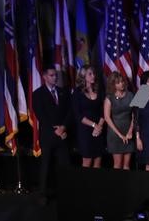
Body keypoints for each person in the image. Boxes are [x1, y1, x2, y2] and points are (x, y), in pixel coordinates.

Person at [32, 64, 72, 200]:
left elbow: (69, 112)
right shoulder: (37, 94)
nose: (55, 77)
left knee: (65, 164)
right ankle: (43, 194)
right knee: (46, 165)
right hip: (49, 135)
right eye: (52, 75)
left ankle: (66, 193)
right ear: (44, 77)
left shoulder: (63, 92)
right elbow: (40, 115)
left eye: (56, 75)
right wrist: (55, 130)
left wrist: (63, 127)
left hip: (62, 133)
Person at [72, 65, 105, 168]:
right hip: (85, 131)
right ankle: (85, 184)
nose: (93, 76)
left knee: (98, 161)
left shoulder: (99, 91)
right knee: (87, 161)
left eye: (94, 74)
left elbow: (103, 112)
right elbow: (78, 115)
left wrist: (99, 126)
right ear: (83, 76)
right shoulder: (77, 92)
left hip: (98, 131)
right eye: (90, 74)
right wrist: (94, 125)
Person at [103, 71, 134, 170]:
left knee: (126, 165)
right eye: (118, 82)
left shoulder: (130, 95)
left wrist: (130, 131)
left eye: (122, 81)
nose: (122, 84)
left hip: (128, 132)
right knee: (117, 165)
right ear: (113, 85)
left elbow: (135, 115)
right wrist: (120, 135)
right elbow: (107, 117)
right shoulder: (109, 98)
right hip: (115, 134)